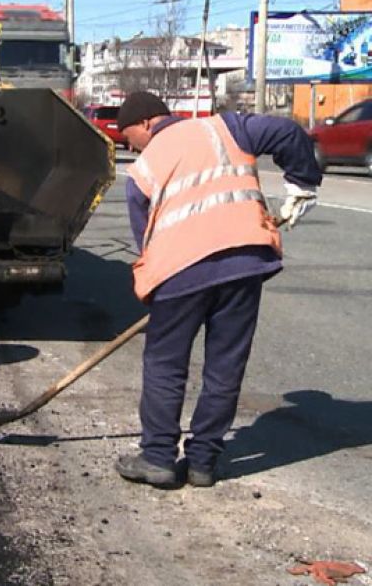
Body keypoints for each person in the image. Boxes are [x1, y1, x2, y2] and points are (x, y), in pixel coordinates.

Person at [113, 91, 322, 490]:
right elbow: (288, 133)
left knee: (164, 365)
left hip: (180, 273)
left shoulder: (142, 170)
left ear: (144, 123)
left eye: (128, 137)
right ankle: (203, 462)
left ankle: (157, 457)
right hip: (244, 264)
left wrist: (156, 286)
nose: (129, 145)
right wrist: (304, 184)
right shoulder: (224, 128)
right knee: (225, 366)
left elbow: (147, 242)